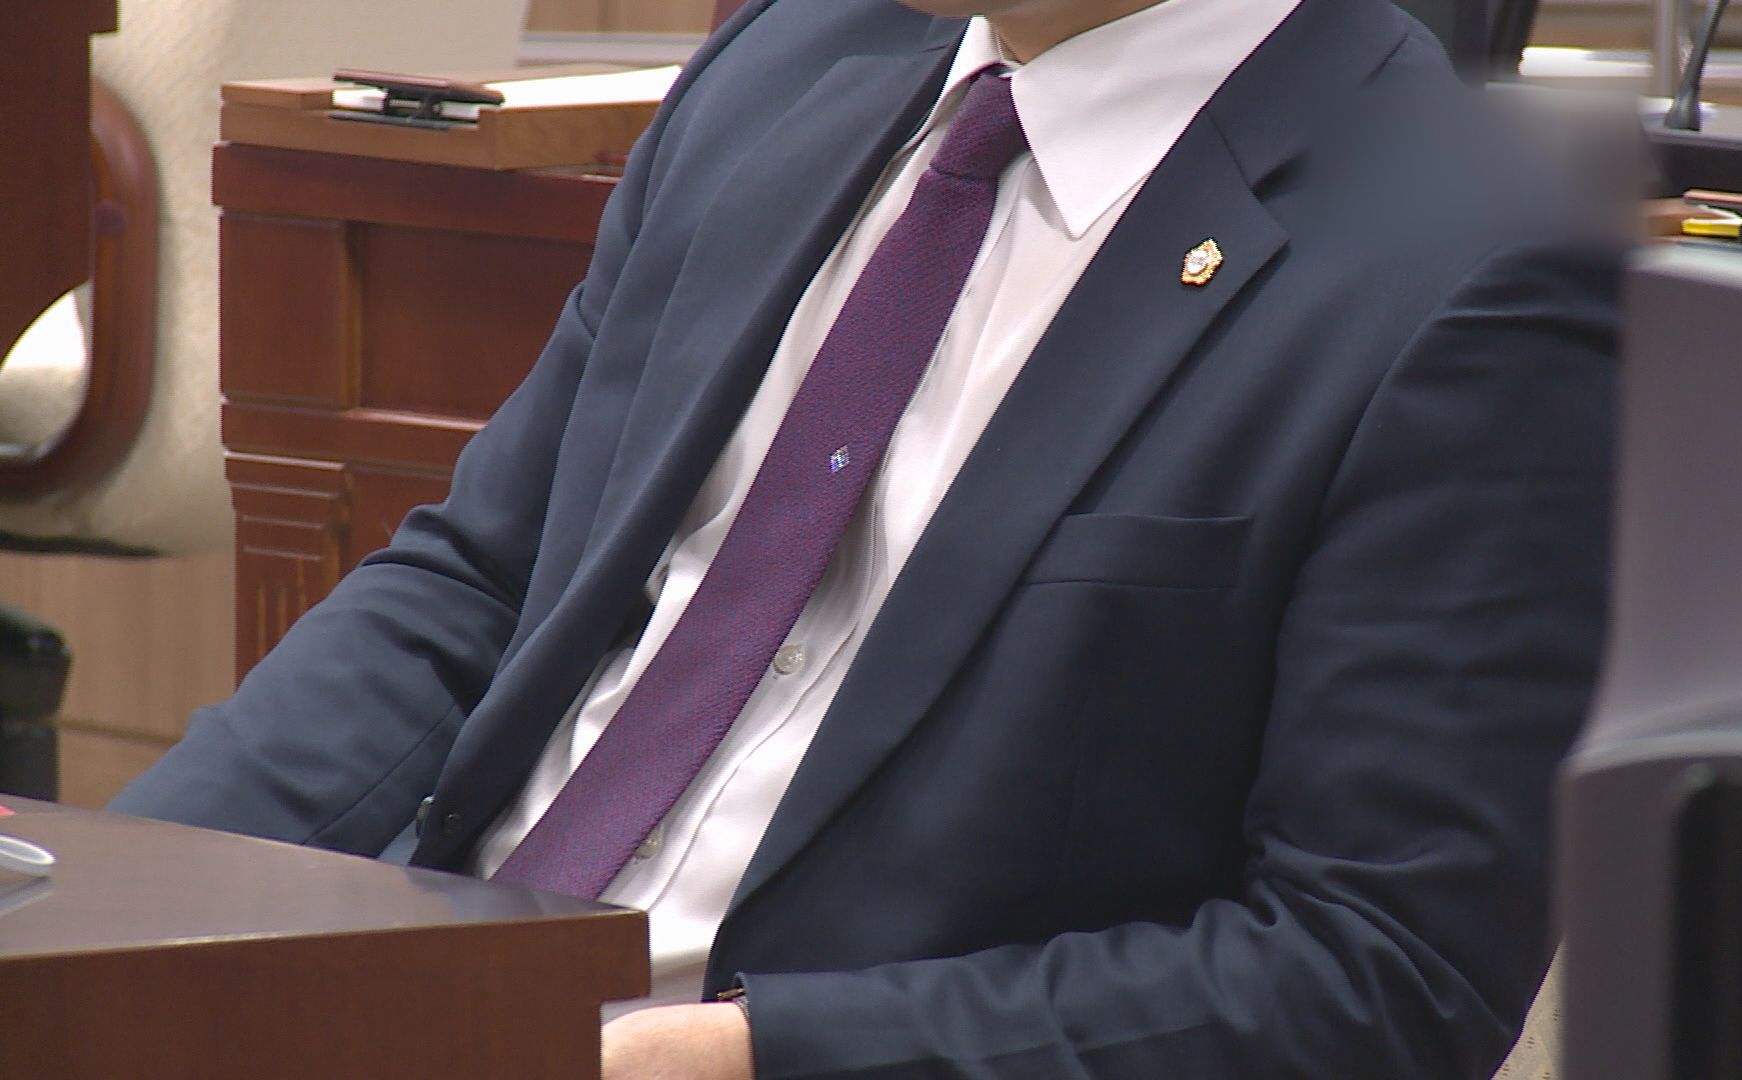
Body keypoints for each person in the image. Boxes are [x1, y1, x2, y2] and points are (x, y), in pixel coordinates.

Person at [111, 0, 1622, 1076]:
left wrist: (748, 1058)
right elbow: (483, 584)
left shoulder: (1470, 269)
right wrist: (111, 897)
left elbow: (1376, 973)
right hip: (422, 994)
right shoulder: (788, 59)